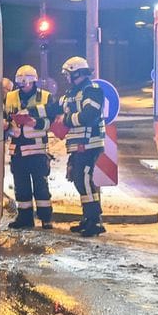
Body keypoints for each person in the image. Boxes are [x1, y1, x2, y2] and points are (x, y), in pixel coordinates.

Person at [3, 65, 58, 229]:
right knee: (21, 187)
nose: (22, 86)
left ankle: (46, 218)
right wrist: (6, 124)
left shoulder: (46, 97)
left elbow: (53, 122)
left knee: (41, 188)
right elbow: (5, 116)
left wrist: (36, 123)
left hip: (37, 151)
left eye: (25, 83)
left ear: (33, 82)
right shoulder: (10, 96)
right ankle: (25, 218)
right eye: (20, 83)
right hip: (17, 150)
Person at [58, 56, 107, 236]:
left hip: (90, 143)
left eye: (68, 74)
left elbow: (89, 115)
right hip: (79, 144)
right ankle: (89, 218)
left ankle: (94, 221)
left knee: (83, 180)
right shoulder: (73, 92)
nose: (66, 78)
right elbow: (57, 108)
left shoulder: (91, 90)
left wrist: (67, 120)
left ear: (77, 72)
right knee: (81, 180)